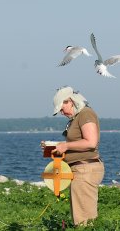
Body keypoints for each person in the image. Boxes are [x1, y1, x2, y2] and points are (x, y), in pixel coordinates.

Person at [44, 86, 104, 226]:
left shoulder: (85, 114)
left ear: (70, 101)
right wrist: (54, 147)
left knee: (84, 220)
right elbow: (78, 144)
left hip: (85, 169)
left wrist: (65, 146)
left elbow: (91, 142)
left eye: (61, 108)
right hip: (80, 169)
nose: (61, 112)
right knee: (81, 216)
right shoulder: (78, 116)